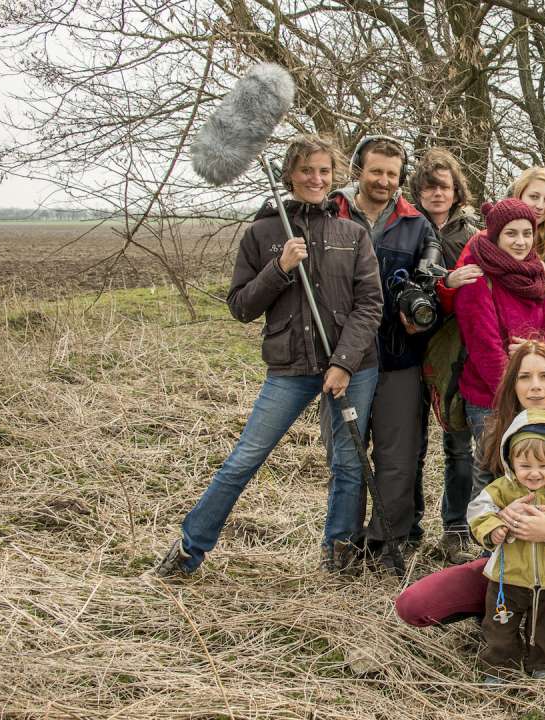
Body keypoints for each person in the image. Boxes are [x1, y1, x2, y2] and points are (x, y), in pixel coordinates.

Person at [152, 134, 382, 577]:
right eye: (305, 170)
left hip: (352, 367)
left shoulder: (352, 232)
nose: (315, 179)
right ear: (290, 175)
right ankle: (188, 550)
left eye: (323, 171)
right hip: (290, 367)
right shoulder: (263, 232)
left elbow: (369, 303)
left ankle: (338, 553)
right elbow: (240, 306)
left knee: (348, 464)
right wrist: (279, 270)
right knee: (245, 458)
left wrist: (343, 363)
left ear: (334, 175)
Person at [396, 340, 545, 677]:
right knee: (414, 605)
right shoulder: (495, 441)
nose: (536, 386)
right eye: (525, 377)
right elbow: (479, 517)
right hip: (508, 567)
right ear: (512, 385)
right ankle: (494, 617)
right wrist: (499, 523)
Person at [328, 135, 440, 574]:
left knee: (398, 456)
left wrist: (421, 315)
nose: (384, 181)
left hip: (398, 357)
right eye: (376, 171)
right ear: (358, 169)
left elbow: (428, 287)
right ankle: (343, 544)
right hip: (344, 358)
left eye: (392, 174)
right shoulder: (330, 213)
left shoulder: (416, 224)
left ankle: (386, 544)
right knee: (347, 455)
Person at [467, 408, 545, 682]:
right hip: (508, 577)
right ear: (511, 462)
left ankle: (544, 665)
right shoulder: (501, 489)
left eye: (543, 466)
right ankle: (499, 668)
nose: (534, 474)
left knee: (543, 626)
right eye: (525, 466)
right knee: (500, 625)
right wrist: (494, 527)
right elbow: (479, 511)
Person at [410, 148, 482, 564]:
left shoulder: (473, 232)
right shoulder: (407, 227)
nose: (437, 193)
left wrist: (448, 284)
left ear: (456, 190)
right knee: (410, 444)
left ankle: (457, 527)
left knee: (459, 443)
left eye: (444, 185)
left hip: (458, 348)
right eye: (429, 185)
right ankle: (408, 524)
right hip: (410, 345)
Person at [451, 199, 545, 436]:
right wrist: (514, 397)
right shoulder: (478, 278)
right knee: (495, 471)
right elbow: (485, 349)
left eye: (527, 233)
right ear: (496, 236)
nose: (521, 242)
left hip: (532, 394)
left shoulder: (533, 275)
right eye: (511, 233)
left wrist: (536, 348)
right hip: (492, 401)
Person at [435, 167, 545, 335]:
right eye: (534, 197)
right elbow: (453, 305)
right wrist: (449, 284)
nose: (540, 206)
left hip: (536, 349)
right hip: (483, 341)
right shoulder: (482, 241)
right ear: (519, 195)